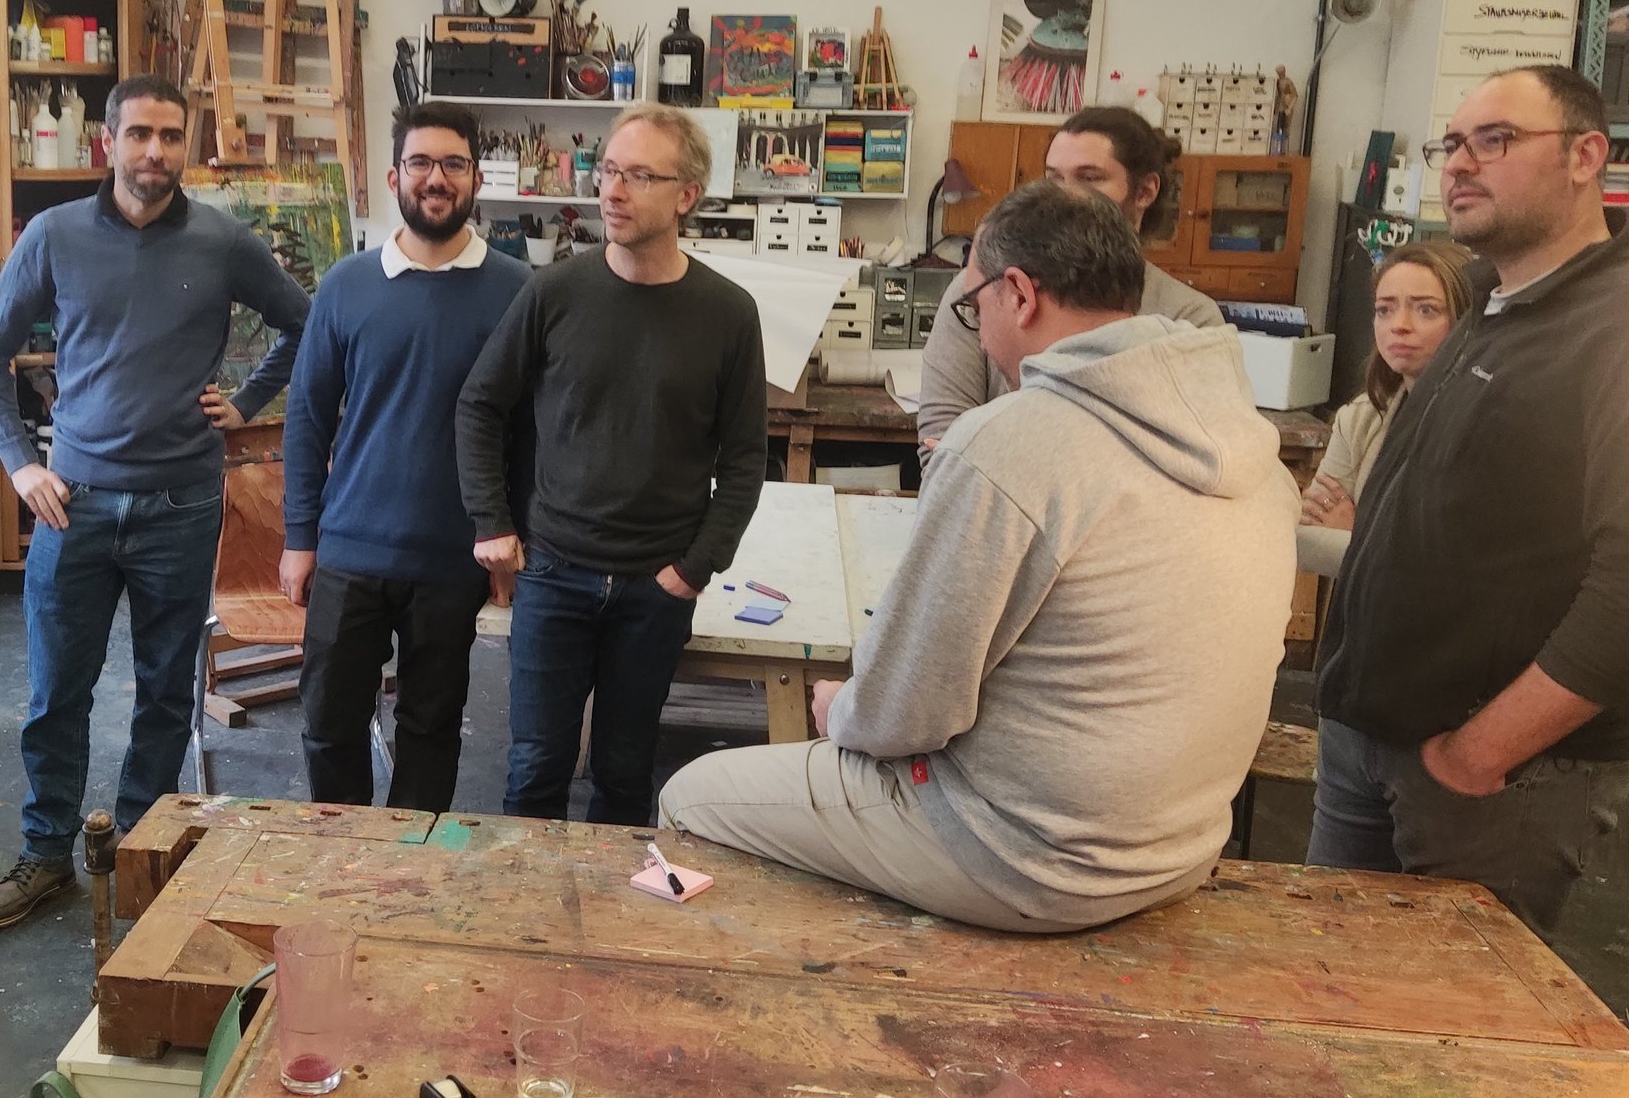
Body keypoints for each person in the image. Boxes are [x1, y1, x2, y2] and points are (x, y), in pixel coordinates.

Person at [659, 181, 1294, 931]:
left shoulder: (1012, 445)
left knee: (691, 797)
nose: (977, 332)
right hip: (1179, 845)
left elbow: (907, 711)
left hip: (1026, 857)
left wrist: (840, 709)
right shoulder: (1247, 444)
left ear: (1018, 294)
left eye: (972, 308)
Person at [1310, 65, 1629, 929]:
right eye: (1452, 144)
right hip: (1371, 738)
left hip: (1491, 777)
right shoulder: (1492, 302)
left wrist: (1479, 751)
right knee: (1329, 1009)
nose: (1461, 163)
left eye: (1495, 140)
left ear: (1586, 155)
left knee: (1442, 1038)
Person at [0, 74, 312, 931]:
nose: (155, 151)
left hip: (182, 504)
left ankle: (137, 848)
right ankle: (46, 853)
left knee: (163, 692)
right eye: (140, 134)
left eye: (169, 136)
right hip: (70, 505)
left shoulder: (224, 242)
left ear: (184, 146)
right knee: (57, 692)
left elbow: (310, 322)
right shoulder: (54, 236)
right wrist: (19, 466)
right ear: (107, 142)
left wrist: (250, 400)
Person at [456, 103, 766, 826]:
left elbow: (747, 457)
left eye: (638, 176)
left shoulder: (728, 314)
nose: (612, 191)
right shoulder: (556, 291)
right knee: (535, 770)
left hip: (654, 588)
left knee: (626, 778)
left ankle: (605, 931)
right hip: (554, 575)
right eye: (608, 171)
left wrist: (693, 568)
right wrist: (491, 520)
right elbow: (480, 404)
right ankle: (526, 930)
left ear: (687, 194)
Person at [279, 101, 530, 812]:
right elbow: (306, 416)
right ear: (395, 175)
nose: (436, 178)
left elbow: (531, 428)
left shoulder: (517, 292)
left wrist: (513, 540)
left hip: (454, 558)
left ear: (477, 178)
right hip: (349, 549)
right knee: (329, 726)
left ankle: (407, 871)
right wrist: (300, 538)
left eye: (453, 163)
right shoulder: (346, 285)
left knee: (431, 728)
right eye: (420, 162)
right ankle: (340, 858)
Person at [917, 107, 1223, 459]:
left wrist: (990, 460)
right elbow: (940, 452)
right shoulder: (982, 290)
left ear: (1144, 192)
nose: (1064, 194)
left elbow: (1189, 463)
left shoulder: (1191, 319)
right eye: (1054, 178)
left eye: (1089, 178)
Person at [1295, 240, 1474, 577]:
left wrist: (1357, 531)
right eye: (1385, 309)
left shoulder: (1483, 422)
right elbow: (1307, 543)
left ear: (1464, 319)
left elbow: (1451, 571)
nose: (1399, 325)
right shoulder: (1361, 418)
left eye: (1426, 310)